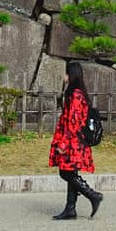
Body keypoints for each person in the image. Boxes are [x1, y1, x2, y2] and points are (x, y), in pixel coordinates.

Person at [48, 59, 103, 221]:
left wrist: (63, 144)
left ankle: (93, 195)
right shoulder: (76, 93)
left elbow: (73, 121)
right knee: (70, 172)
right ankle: (70, 209)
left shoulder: (76, 95)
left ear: (71, 74)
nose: (64, 76)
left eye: (66, 73)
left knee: (66, 172)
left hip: (74, 141)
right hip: (74, 140)